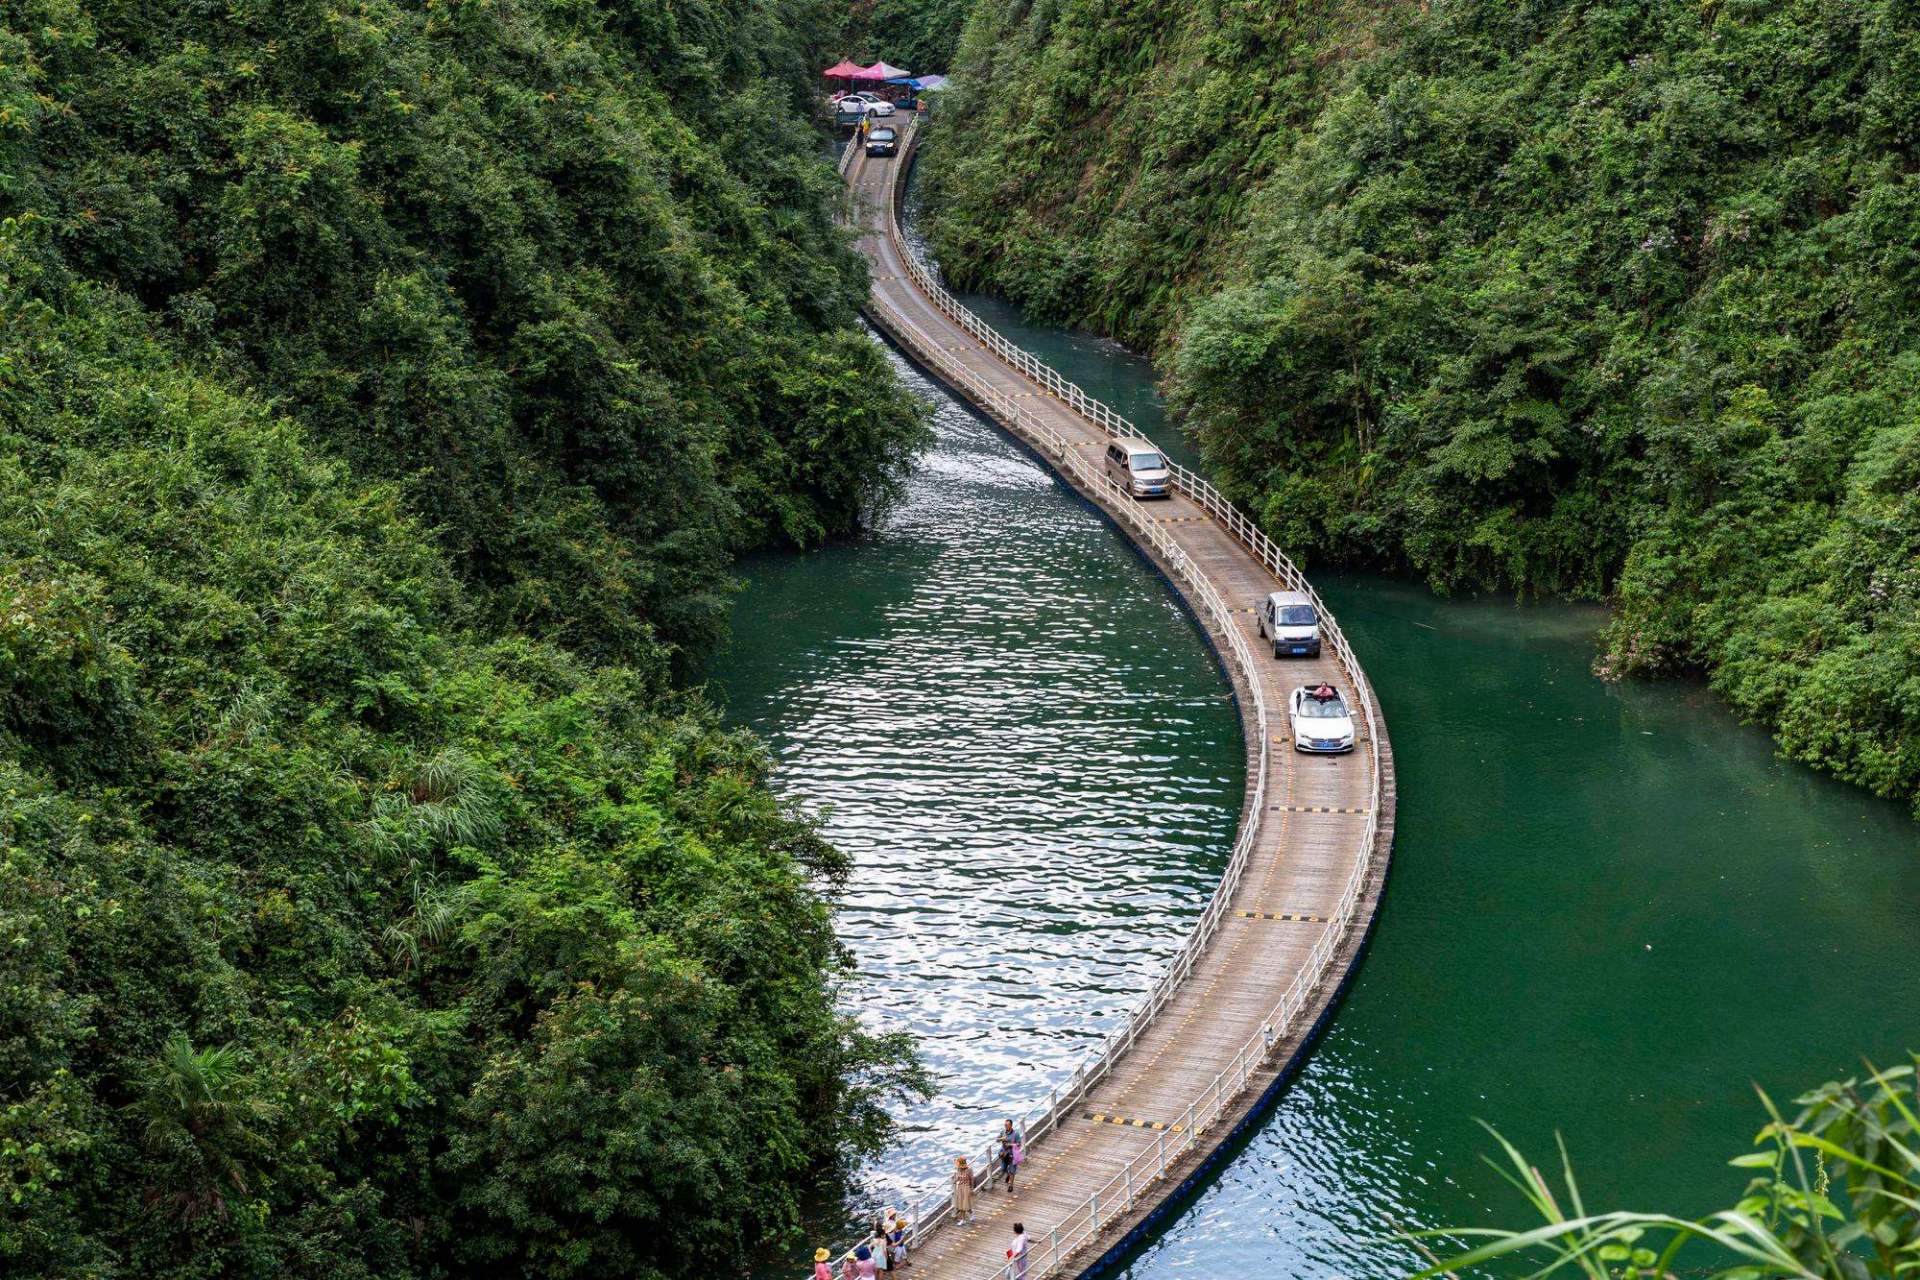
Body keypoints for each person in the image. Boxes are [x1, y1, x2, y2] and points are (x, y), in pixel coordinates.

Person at [952, 1155, 976, 1225]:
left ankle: (971, 1214)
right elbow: (958, 1178)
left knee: (966, 1204)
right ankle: (963, 1220)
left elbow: (972, 1179)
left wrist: (972, 1189)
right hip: (960, 1188)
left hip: (966, 1187)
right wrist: (954, 1181)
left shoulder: (969, 1170)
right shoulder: (959, 1170)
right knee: (961, 1205)